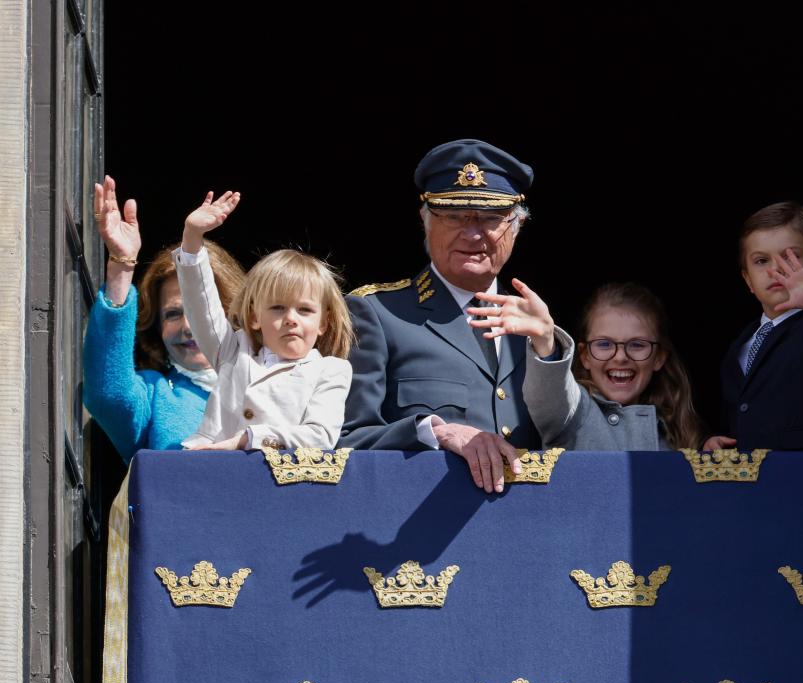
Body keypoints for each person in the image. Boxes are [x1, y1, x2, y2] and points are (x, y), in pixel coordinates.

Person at [341, 139, 539, 493]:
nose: (473, 232)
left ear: (516, 225)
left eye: (491, 218)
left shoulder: (535, 327)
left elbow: (575, 438)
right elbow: (344, 441)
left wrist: (550, 346)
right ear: (425, 220)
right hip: (418, 532)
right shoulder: (378, 313)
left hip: (528, 530)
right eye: (453, 216)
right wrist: (437, 431)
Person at [82, 176, 245, 463]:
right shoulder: (155, 395)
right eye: (172, 314)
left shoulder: (275, 378)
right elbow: (108, 394)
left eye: (200, 311)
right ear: (156, 329)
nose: (188, 326)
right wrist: (121, 264)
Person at [174, 191, 353, 451]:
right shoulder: (233, 351)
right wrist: (192, 237)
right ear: (255, 317)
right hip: (210, 472)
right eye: (278, 308)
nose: (291, 319)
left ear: (323, 323)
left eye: (304, 310)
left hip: (277, 484)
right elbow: (202, 307)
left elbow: (320, 436)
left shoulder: (331, 370)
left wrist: (248, 439)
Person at [469, 280, 705, 450]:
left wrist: (708, 455)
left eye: (637, 344)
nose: (620, 357)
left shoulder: (679, 429)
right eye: (604, 344)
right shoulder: (574, 411)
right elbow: (552, 394)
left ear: (659, 357)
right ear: (584, 356)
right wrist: (545, 340)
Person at [708, 202, 803, 451]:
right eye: (761, 260)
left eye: (789, 257)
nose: (775, 269)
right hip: (749, 481)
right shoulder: (740, 345)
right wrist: (714, 439)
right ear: (748, 280)